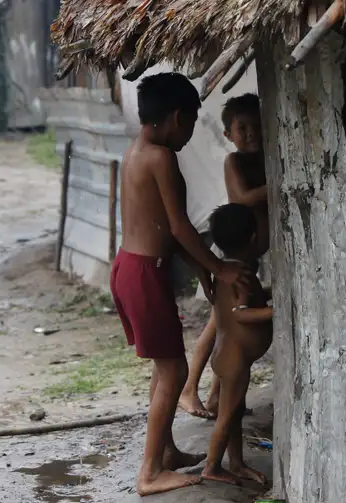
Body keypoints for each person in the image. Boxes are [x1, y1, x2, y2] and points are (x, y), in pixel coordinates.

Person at [109, 72, 252, 496]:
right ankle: (149, 472)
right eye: (190, 123)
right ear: (175, 117)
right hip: (144, 272)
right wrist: (221, 269)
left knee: (164, 366)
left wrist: (203, 270)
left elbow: (167, 232)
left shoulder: (136, 151)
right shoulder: (161, 158)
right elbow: (180, 226)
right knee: (175, 370)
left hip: (130, 267)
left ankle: (166, 452)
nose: (190, 133)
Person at [179, 93, 268, 419]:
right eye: (242, 128)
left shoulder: (263, 159)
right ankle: (189, 388)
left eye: (257, 126)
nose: (251, 133)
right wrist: (278, 181)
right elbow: (242, 198)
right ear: (228, 135)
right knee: (218, 325)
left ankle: (218, 396)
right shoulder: (236, 162)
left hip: (249, 257)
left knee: (226, 329)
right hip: (230, 257)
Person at [201, 203, 272, 485]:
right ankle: (212, 466)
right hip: (234, 359)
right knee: (227, 416)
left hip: (226, 354)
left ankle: (237, 463)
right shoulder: (241, 276)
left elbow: (244, 300)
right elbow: (240, 313)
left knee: (234, 412)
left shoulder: (227, 271)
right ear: (254, 237)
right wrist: (274, 310)